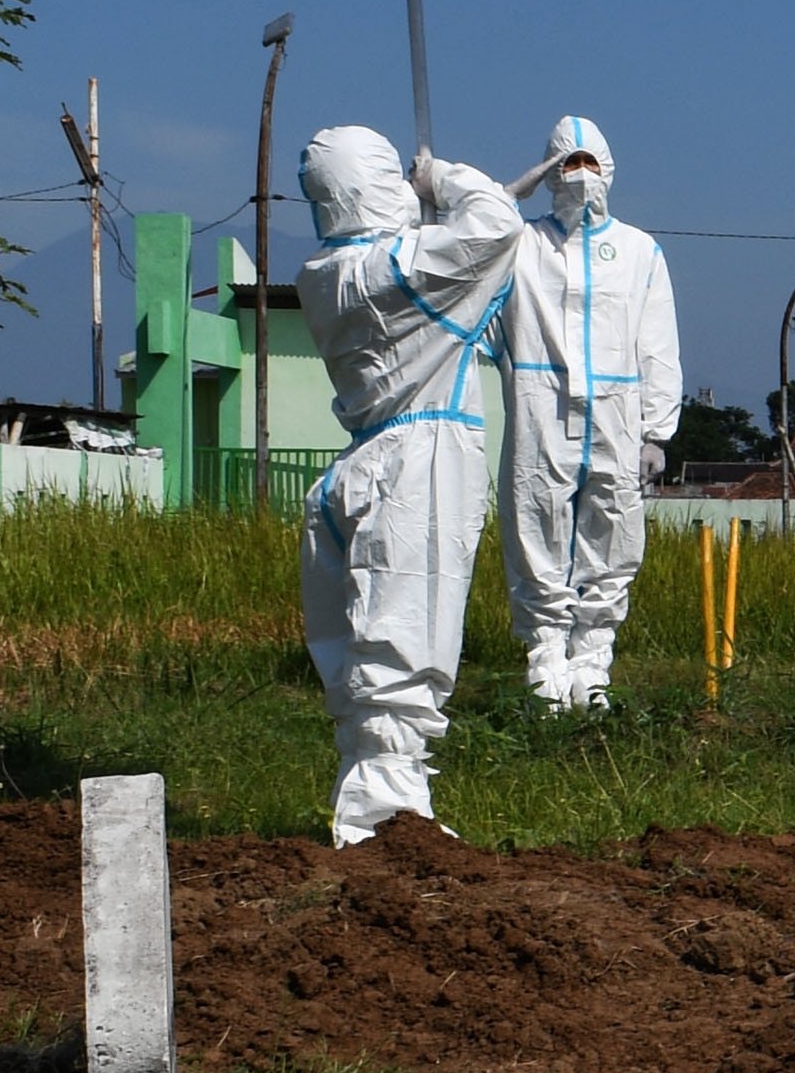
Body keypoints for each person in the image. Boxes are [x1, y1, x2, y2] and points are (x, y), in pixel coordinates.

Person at [292, 129, 522, 843]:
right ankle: (385, 825)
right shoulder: (404, 265)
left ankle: (368, 801)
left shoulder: (324, 274)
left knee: (360, 649)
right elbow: (497, 223)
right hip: (419, 463)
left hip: (359, 465)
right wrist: (441, 178)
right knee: (404, 640)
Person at [491, 116, 682, 710]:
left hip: (617, 416)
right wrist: (501, 202)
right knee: (534, 528)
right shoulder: (520, 245)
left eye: (588, 163)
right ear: (547, 172)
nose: (578, 176)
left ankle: (592, 664)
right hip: (538, 408)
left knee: (613, 532)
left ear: (609, 170)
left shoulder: (638, 251)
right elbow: (464, 253)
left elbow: (658, 344)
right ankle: (546, 666)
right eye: (565, 164)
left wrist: (656, 430)